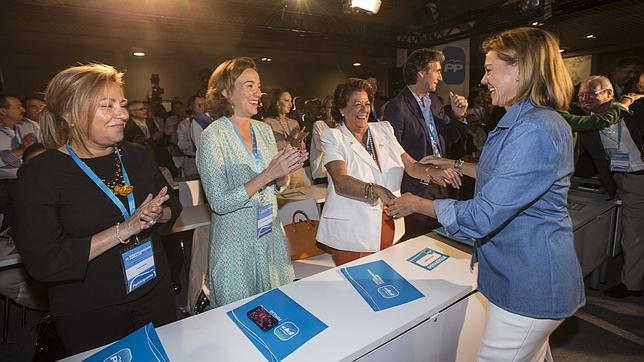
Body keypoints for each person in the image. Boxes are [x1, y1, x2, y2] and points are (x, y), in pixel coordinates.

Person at [386, 28, 585, 360]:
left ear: (520, 69)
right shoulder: (527, 121)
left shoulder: (534, 130)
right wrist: (454, 163)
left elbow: (483, 215)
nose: (483, 77)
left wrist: (417, 203)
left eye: (491, 68)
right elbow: (505, 175)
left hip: (528, 286)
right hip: (524, 278)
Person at [12, 64, 182, 355]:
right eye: (107, 106)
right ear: (69, 114)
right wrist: (124, 229)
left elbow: (172, 209)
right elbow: (45, 262)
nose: (123, 114)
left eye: (122, 104)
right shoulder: (41, 173)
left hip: (155, 294)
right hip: (93, 310)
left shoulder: (138, 156)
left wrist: (155, 216)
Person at [197, 57, 308, 307]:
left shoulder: (263, 130)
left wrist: (284, 170)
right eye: (249, 85)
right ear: (225, 92)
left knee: (278, 313)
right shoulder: (212, 137)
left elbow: (276, 186)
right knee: (240, 323)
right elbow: (219, 202)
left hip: (270, 240)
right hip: (235, 248)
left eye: (259, 86)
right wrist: (269, 173)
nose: (259, 92)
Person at [316, 78, 459, 266]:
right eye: (357, 104)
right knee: (358, 289)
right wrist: (377, 190)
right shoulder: (333, 136)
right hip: (352, 234)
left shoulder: (383, 129)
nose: (364, 109)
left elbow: (411, 166)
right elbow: (341, 181)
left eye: (367, 104)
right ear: (342, 109)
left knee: (389, 284)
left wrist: (433, 173)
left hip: (390, 224)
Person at [382, 48, 468, 240]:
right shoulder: (397, 107)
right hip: (417, 188)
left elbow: (451, 134)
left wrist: (459, 115)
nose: (440, 77)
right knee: (420, 242)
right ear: (421, 73)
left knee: (443, 239)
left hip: (442, 183)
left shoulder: (435, 102)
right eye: (436, 71)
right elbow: (394, 152)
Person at [577, 75, 644, 298]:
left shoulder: (636, 108)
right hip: (624, 180)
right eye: (581, 94)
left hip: (639, 175)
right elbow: (591, 159)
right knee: (632, 232)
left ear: (608, 94)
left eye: (591, 93)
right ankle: (632, 284)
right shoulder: (588, 123)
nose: (585, 98)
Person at [263, 90, 310, 188]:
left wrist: (299, 141)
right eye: (286, 100)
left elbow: (300, 149)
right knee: (285, 202)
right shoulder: (268, 123)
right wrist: (288, 139)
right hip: (281, 172)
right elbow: (268, 149)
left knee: (305, 200)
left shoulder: (294, 122)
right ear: (277, 103)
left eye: (291, 101)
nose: (290, 104)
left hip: (297, 168)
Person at [310, 95, 338, 182]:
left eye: (334, 107)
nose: (332, 110)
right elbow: (322, 146)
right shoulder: (318, 125)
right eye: (330, 107)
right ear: (324, 109)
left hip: (337, 172)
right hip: (321, 173)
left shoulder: (340, 125)